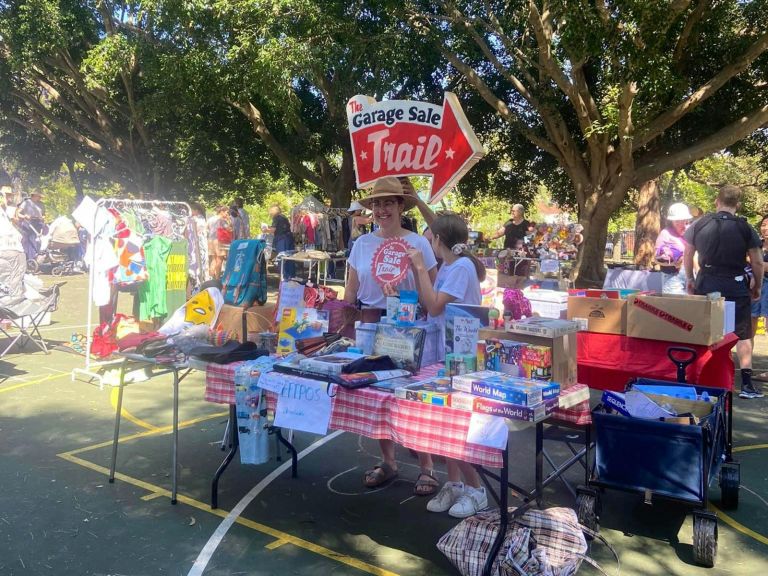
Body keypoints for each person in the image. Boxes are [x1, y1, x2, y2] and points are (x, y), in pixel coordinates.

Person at [344, 176, 439, 495]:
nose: (381, 209)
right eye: (376, 204)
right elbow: (352, 288)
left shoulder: (420, 243)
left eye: (388, 202)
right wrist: (343, 315)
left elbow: (432, 294)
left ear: (401, 206)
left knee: (412, 397)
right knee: (375, 395)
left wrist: (411, 283)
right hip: (370, 324)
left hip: (408, 327)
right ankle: (389, 461)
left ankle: (426, 465)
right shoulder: (361, 244)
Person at [407, 211, 489, 518]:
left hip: (461, 359)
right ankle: (455, 483)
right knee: (441, 422)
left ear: (438, 239)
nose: (427, 240)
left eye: (430, 235)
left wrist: (418, 266)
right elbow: (428, 300)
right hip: (446, 354)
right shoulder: (450, 266)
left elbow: (435, 305)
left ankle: (476, 489)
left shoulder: (461, 267)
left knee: (454, 425)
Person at [684, 185, 764, 399]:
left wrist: (690, 279)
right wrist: (757, 286)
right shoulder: (746, 228)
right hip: (736, 286)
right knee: (742, 334)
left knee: (704, 330)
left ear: (716, 201)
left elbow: (688, 253)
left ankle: (698, 378)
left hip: (707, 284)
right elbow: (757, 261)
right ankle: (746, 385)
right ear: (737, 205)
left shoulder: (699, 224)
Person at [655, 202, 692, 294]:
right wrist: (673, 263)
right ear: (671, 221)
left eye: (683, 220)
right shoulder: (665, 234)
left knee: (690, 306)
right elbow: (656, 259)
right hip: (672, 278)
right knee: (674, 305)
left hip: (689, 276)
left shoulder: (691, 231)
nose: (681, 224)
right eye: (677, 221)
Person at [491, 204, 531, 288]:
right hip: (507, 253)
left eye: (513, 211)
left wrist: (525, 247)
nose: (511, 212)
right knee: (506, 274)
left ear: (520, 212)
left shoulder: (526, 224)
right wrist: (490, 237)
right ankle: (507, 291)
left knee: (519, 276)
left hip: (520, 255)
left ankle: (518, 292)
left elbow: (531, 238)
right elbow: (499, 233)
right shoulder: (508, 223)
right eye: (511, 211)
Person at [264, 205, 295, 280]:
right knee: (289, 257)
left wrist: (265, 230)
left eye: (271, 211)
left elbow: (273, 230)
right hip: (289, 238)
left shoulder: (276, 217)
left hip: (282, 239)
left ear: (275, 211)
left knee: (282, 257)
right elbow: (278, 227)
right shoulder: (283, 217)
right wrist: (269, 227)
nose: (270, 213)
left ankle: (284, 277)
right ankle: (291, 276)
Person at [751, 215, 768, 342]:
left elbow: (756, 263)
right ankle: (748, 359)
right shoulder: (756, 245)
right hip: (755, 284)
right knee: (751, 321)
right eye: (763, 225)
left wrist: (756, 263)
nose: (766, 228)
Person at [16, 191, 46, 261]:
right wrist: (24, 216)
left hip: (38, 223)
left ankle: (36, 257)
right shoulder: (26, 203)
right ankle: (30, 259)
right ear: (34, 196)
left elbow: (44, 214)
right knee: (29, 241)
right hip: (28, 223)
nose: (40, 198)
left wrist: (43, 218)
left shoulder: (41, 204)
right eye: (38, 196)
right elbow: (18, 213)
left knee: (37, 241)